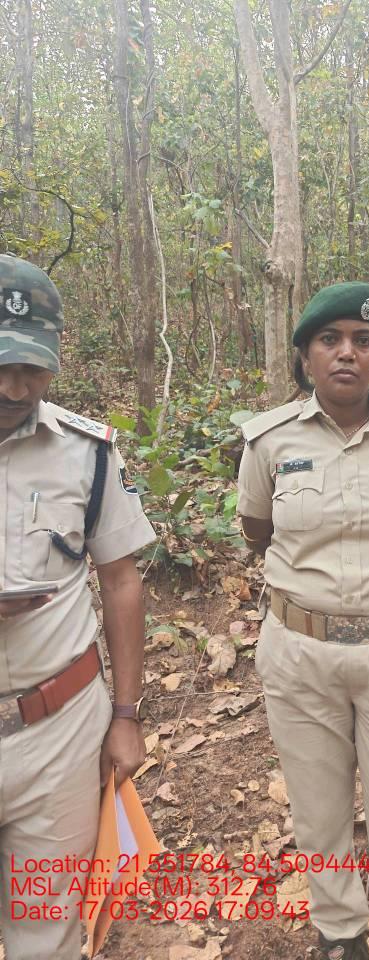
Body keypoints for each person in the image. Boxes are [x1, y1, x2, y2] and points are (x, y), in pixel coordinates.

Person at [237, 281, 369, 960]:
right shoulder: (269, 441)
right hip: (300, 656)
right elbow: (257, 528)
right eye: (329, 340)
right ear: (304, 355)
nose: (346, 353)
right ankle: (340, 935)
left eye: (363, 340)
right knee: (319, 816)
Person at [0, 254, 156, 960]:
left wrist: (126, 716)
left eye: (33, 367)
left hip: (58, 732)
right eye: (2, 365)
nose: (16, 386)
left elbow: (121, 580)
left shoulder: (87, 453)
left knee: (48, 927)